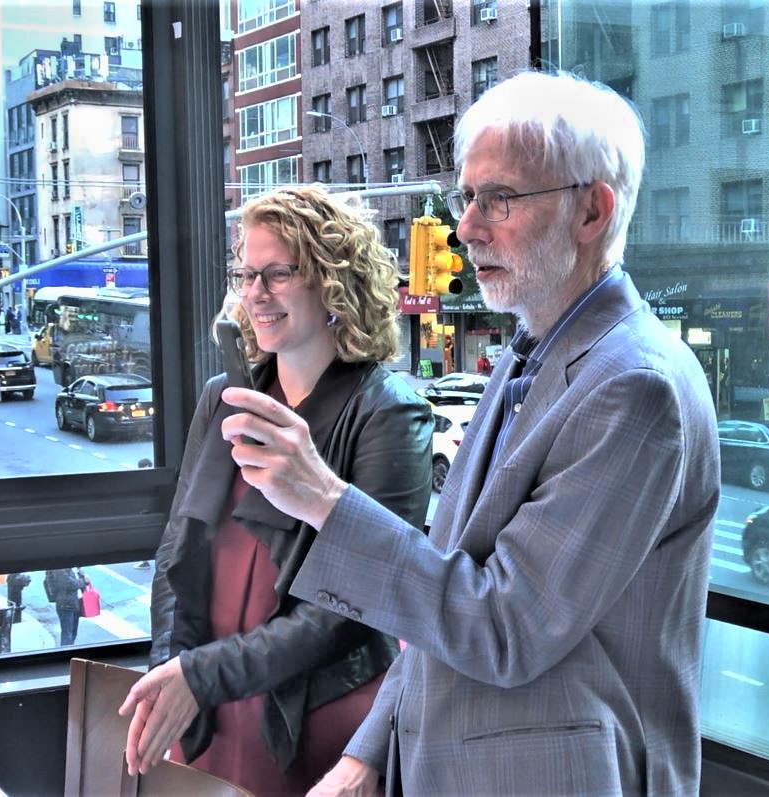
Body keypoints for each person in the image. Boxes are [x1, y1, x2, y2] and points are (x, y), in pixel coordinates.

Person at [216, 71, 720, 796]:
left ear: (592, 210)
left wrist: (324, 498)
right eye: (467, 196)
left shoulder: (636, 387)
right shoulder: (530, 351)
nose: (466, 228)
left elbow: (506, 626)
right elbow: (443, 584)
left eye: (500, 198)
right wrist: (368, 752)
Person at [118, 186, 433, 794]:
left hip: (314, 715)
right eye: (247, 274)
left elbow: (353, 606)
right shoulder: (223, 397)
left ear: (334, 282)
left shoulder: (388, 412)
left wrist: (202, 675)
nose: (255, 293)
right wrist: (171, 674)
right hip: (210, 703)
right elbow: (179, 548)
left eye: (278, 274)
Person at [44, 567, 89, 645]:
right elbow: (69, 584)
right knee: (67, 634)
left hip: (74, 602)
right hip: (65, 604)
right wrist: (84, 581)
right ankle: (66, 650)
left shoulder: (73, 568)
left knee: (73, 632)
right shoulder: (60, 569)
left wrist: (81, 574)